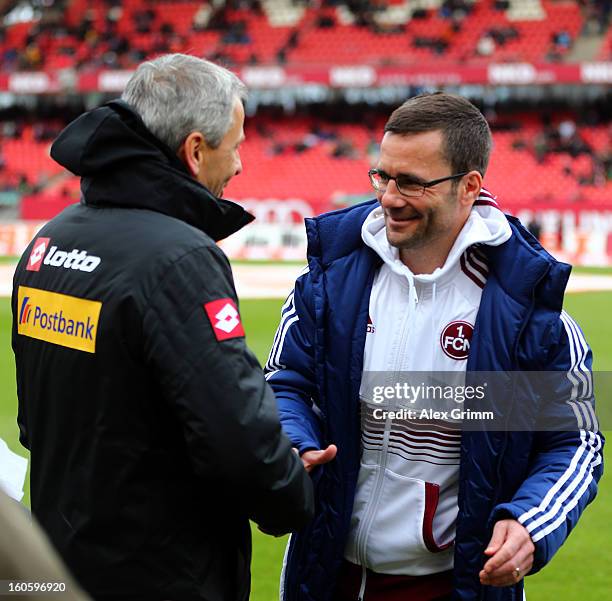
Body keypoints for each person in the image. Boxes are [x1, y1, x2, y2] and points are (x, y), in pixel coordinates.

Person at [265, 92, 603, 601]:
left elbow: (573, 443)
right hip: (325, 571)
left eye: (413, 182)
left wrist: (532, 524)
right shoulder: (328, 285)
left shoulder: (531, 318)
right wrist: (296, 439)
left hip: (452, 584)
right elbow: (285, 383)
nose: (390, 197)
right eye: (383, 176)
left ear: (469, 187)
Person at [11, 53, 314, 601]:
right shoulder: (181, 257)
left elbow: (33, 423)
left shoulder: (47, 243)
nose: (241, 165)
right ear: (196, 151)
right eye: (236, 145)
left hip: (59, 560)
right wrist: (295, 491)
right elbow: (238, 439)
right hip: (161, 572)